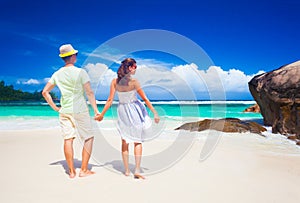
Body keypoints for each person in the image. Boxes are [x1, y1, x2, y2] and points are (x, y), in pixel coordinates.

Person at [96, 58, 160, 179]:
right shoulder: (134, 82)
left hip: (122, 111)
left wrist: (102, 115)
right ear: (130, 68)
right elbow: (145, 99)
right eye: (135, 66)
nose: (136, 69)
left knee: (125, 140)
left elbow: (109, 100)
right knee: (138, 140)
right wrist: (155, 113)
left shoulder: (114, 82)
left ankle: (126, 170)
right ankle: (136, 170)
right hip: (134, 110)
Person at [42, 44, 100, 178]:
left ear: (63, 58)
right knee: (89, 137)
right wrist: (96, 110)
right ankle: (84, 170)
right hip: (80, 110)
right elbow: (89, 92)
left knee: (68, 139)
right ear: (73, 56)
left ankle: (72, 171)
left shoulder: (57, 74)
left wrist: (56, 108)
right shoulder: (81, 72)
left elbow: (45, 92)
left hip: (65, 110)